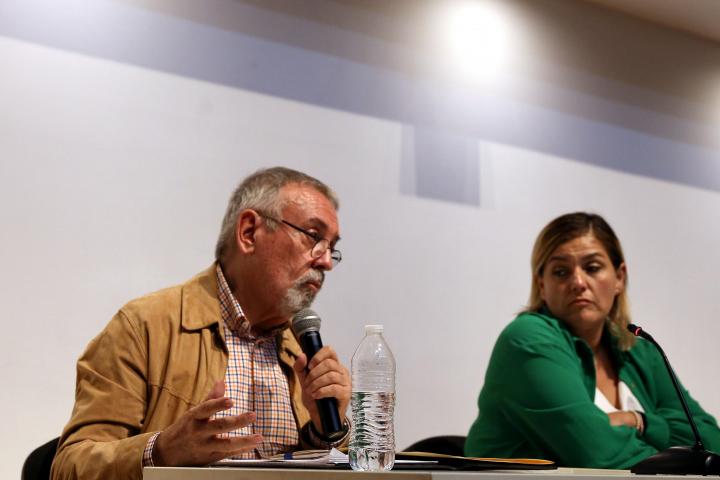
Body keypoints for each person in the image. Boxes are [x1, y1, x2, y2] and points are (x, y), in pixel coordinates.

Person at [51, 167, 351, 480]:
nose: (326, 261)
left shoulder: (300, 352)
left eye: (332, 247)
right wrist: (162, 451)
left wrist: (320, 433)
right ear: (249, 232)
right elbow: (68, 468)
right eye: (314, 237)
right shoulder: (144, 327)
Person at [465, 212, 720, 468]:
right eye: (561, 271)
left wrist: (638, 420)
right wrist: (679, 456)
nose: (578, 282)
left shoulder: (639, 349)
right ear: (541, 285)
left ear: (619, 277)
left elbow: (711, 439)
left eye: (592, 267)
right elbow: (598, 455)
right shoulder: (527, 340)